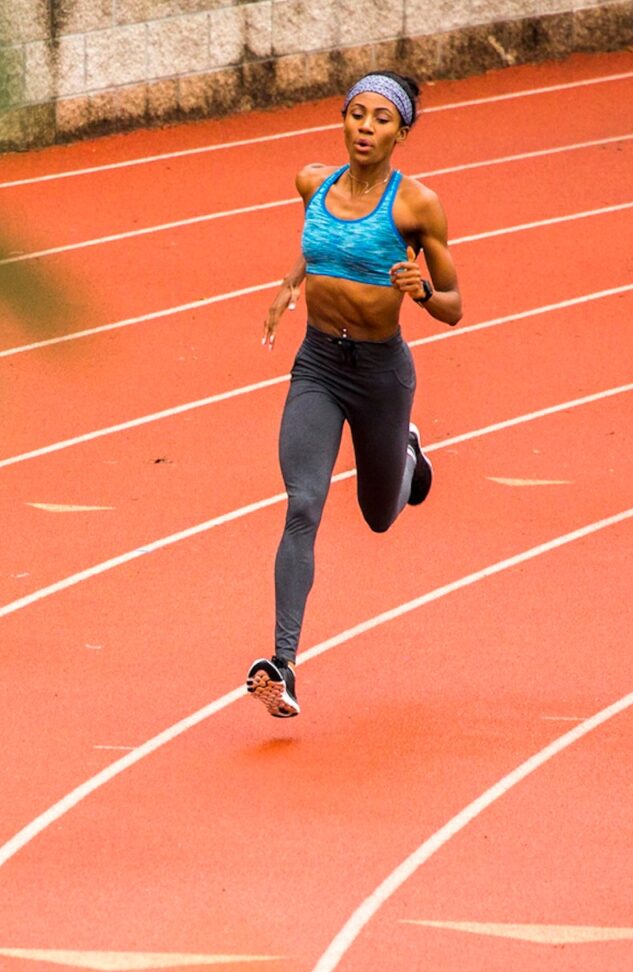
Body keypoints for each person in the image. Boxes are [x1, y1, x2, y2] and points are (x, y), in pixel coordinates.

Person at [248, 70, 464, 718]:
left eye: (381, 119)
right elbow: (319, 245)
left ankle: (407, 456)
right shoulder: (313, 182)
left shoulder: (416, 207)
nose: (365, 128)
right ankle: (283, 664)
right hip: (318, 363)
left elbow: (455, 306)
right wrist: (290, 283)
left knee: (377, 514)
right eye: (356, 115)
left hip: (379, 373)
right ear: (342, 119)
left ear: (401, 131)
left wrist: (423, 291)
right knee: (303, 504)